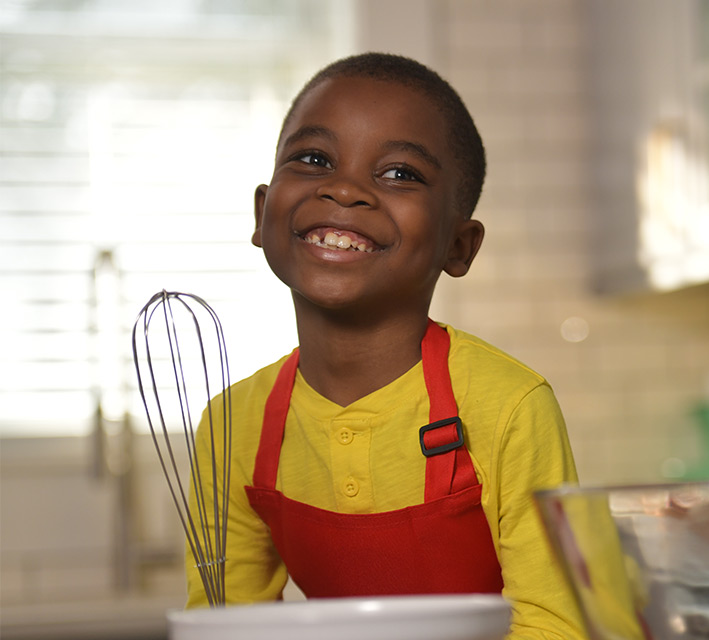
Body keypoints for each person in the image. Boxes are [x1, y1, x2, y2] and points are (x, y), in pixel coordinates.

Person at [186, 52, 585, 638]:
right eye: (314, 159)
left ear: (459, 245)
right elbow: (227, 625)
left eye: (400, 173)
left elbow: (558, 624)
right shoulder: (231, 427)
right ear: (261, 211)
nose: (344, 189)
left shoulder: (510, 407)